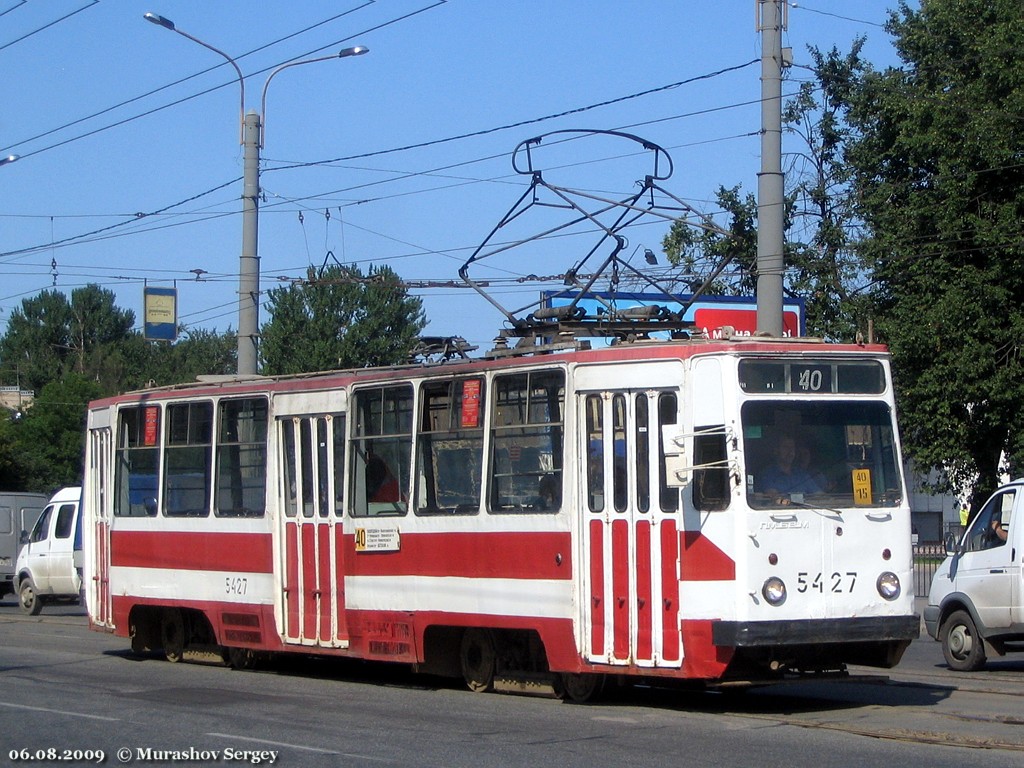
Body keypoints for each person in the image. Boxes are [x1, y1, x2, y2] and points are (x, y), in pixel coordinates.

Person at [757, 435, 823, 498]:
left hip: (807, 506)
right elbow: (774, 498)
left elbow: (819, 496)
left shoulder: (801, 475)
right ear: (776, 451)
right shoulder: (767, 475)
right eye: (786, 447)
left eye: (792, 447)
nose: (790, 451)